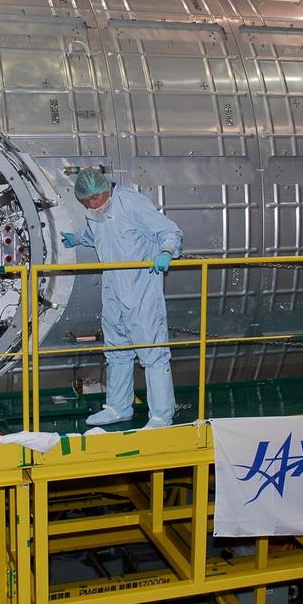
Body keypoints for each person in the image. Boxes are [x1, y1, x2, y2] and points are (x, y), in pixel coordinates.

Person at [61, 167, 183, 428]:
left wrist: (166, 252)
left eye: (95, 198)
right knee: (117, 351)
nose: (92, 205)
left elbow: (170, 232)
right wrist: (77, 239)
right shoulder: (98, 213)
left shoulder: (131, 202)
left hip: (141, 289)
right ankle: (118, 407)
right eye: (86, 201)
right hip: (113, 289)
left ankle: (162, 416)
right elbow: (96, 235)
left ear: (106, 189)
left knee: (152, 352)